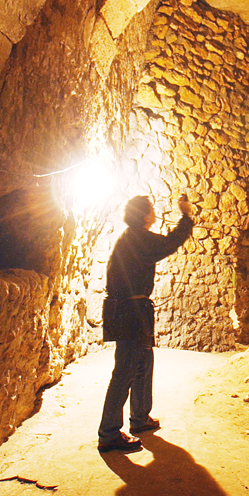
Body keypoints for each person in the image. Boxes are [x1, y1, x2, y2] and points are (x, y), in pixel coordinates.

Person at [97, 193, 194, 453]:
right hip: (129, 311)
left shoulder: (133, 238)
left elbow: (164, 245)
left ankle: (139, 419)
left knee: (142, 362)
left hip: (133, 309)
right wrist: (185, 216)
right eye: (151, 208)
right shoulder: (137, 238)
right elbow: (169, 243)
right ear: (143, 215)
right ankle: (108, 433)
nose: (154, 212)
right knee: (125, 370)